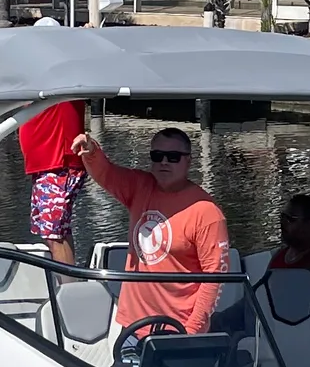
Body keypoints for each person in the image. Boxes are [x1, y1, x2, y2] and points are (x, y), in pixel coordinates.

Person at [71, 123, 231, 334]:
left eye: (173, 157)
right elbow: (107, 173)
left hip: (178, 329)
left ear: (188, 161)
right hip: (132, 325)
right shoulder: (139, 187)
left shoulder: (207, 212)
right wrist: (91, 151)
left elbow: (214, 278)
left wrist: (191, 331)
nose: (164, 162)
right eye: (157, 156)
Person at [17, 96, 86, 264]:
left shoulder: (59, 86)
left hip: (59, 163)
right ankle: (67, 279)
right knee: (55, 234)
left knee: (55, 236)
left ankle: (69, 281)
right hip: (46, 165)